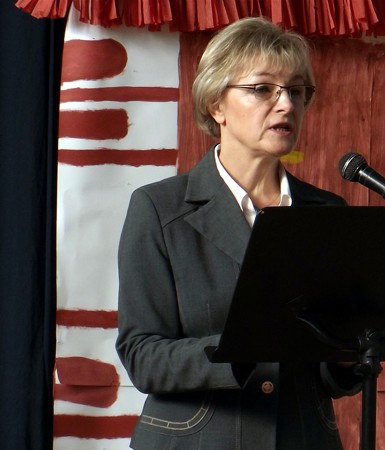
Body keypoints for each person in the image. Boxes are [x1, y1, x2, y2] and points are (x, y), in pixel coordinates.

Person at [115, 17, 361, 449]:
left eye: (296, 90)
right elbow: (142, 355)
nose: (286, 104)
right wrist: (241, 349)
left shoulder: (328, 213)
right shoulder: (158, 208)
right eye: (263, 89)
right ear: (217, 105)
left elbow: (330, 374)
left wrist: (347, 356)